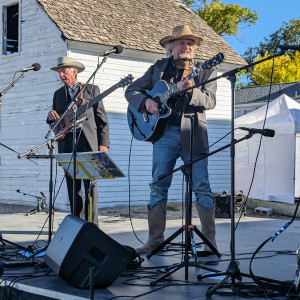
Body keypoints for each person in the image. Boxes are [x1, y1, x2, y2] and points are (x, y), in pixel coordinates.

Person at [125, 25, 217, 254]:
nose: (187, 46)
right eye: (182, 42)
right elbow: (132, 91)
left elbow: (211, 101)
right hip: (164, 135)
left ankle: (208, 243)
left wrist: (190, 91)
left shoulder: (205, 71)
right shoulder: (158, 69)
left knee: (202, 187)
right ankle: (154, 241)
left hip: (193, 134)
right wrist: (146, 103)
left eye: (190, 43)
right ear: (171, 47)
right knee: (158, 185)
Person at [47, 57, 109, 226]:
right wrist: (51, 117)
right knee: (73, 187)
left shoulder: (91, 90)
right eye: (59, 72)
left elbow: (102, 119)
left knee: (90, 187)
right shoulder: (58, 94)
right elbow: (57, 123)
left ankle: (92, 226)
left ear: (74, 71)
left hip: (89, 142)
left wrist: (104, 144)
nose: (61, 75)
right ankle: (78, 224)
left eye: (64, 71)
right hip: (67, 144)